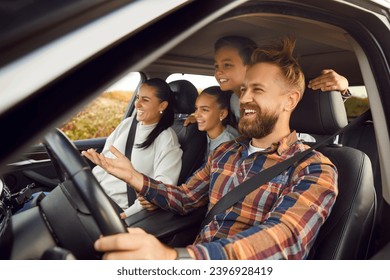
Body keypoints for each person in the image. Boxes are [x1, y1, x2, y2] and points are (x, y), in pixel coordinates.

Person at [84, 37, 338, 260]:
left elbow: (284, 240)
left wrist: (175, 259)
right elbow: (185, 199)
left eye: (257, 90)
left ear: (290, 100)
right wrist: (134, 177)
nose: (245, 98)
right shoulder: (226, 152)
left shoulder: (314, 169)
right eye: (243, 89)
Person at [185, 35, 351, 126]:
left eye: (227, 65)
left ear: (250, 65)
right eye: (216, 66)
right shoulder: (230, 99)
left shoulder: (279, 97)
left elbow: (313, 106)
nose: (218, 71)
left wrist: (343, 89)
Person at [85, 78, 183, 219]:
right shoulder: (127, 124)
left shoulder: (166, 138)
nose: (137, 104)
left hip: (114, 210)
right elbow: (103, 163)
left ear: (162, 106)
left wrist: (125, 216)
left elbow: (162, 189)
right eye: (137, 97)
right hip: (94, 197)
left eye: (145, 100)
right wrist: (86, 186)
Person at [194, 86, 240, 159]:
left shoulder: (228, 145)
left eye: (205, 110)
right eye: (196, 108)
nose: (196, 114)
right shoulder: (209, 134)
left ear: (222, 114)